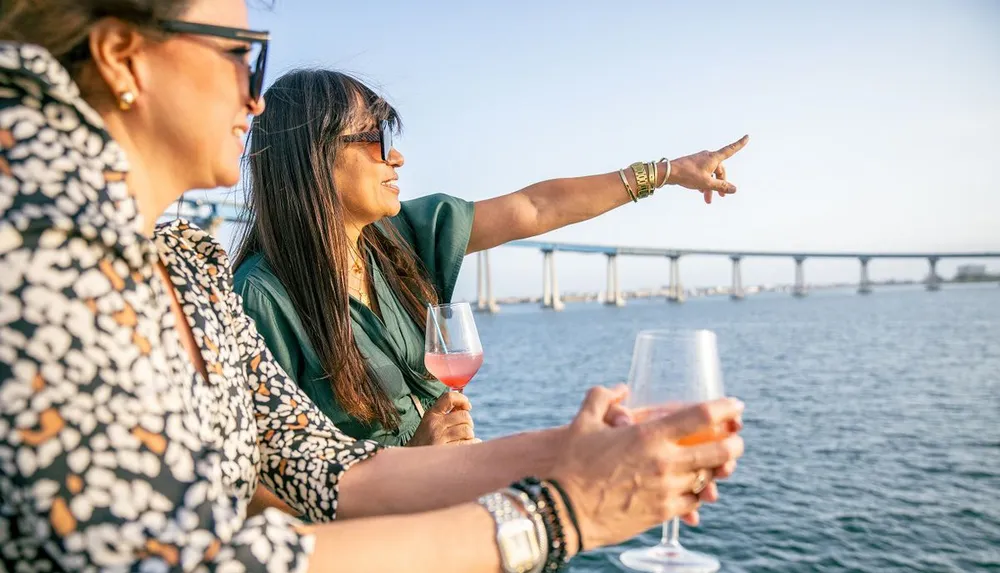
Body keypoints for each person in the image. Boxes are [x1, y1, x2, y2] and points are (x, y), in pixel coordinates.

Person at [0, 1, 746, 571]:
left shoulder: (184, 264)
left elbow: (329, 467)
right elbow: (216, 547)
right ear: (123, 56)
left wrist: (581, 454)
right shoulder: (34, 248)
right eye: (242, 56)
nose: (253, 100)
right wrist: (559, 513)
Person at [232, 67, 749, 447]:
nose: (397, 156)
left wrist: (668, 171)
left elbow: (536, 207)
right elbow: (270, 488)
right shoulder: (260, 300)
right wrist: (414, 457)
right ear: (314, 157)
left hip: (454, 503)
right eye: (375, 138)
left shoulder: (403, 237)